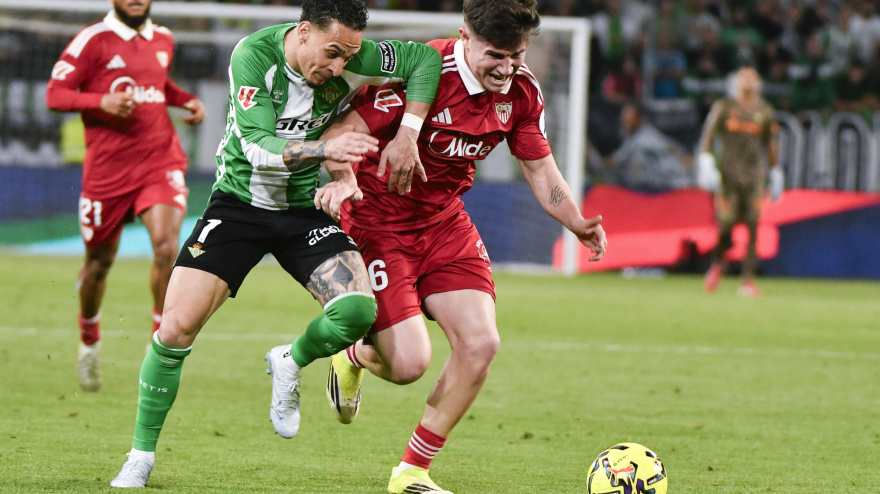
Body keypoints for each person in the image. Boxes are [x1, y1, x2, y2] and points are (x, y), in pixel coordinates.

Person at [109, 0, 442, 488]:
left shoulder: (351, 52)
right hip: (238, 207)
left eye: (348, 58)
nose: (338, 68)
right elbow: (258, 148)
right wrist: (328, 149)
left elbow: (424, 61)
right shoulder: (254, 56)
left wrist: (408, 133)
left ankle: (289, 360)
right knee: (175, 328)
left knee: (356, 312)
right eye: (331, 53)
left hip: (304, 210)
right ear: (303, 32)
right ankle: (140, 456)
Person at [316, 1, 607, 491]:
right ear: (463, 37)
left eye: (517, 55)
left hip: (444, 224)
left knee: (481, 344)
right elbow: (343, 131)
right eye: (496, 55)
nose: (507, 67)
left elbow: (538, 167)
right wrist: (344, 179)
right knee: (408, 365)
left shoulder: (521, 91)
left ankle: (412, 472)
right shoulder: (421, 71)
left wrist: (573, 219)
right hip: (379, 224)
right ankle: (355, 357)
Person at [45, 0, 206, 393]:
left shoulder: (164, 38)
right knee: (99, 263)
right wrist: (100, 100)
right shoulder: (92, 41)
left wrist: (183, 98)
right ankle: (88, 341)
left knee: (168, 246)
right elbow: (55, 94)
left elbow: (156, 84)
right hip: (108, 173)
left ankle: (161, 344)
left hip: (158, 160)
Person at [699, 67, 781, 298]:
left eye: (752, 78)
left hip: (755, 177)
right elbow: (709, 135)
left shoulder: (764, 112)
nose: (747, 82)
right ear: (735, 82)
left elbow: (771, 144)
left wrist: (775, 172)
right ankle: (719, 262)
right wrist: (706, 161)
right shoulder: (724, 107)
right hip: (728, 176)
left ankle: (747, 280)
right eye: (743, 77)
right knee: (726, 222)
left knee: (753, 224)